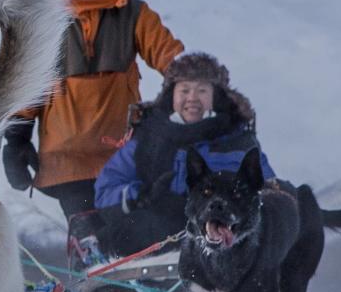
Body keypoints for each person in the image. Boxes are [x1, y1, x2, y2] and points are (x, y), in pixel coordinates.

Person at [1, 0, 183, 257]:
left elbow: (169, 56)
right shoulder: (44, 19)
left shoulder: (134, 13)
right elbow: (28, 79)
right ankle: (97, 285)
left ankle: (128, 287)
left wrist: (191, 86)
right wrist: (16, 137)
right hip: (66, 156)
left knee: (128, 238)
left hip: (121, 152)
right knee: (90, 241)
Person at [94, 51, 274, 258]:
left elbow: (267, 192)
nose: (192, 98)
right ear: (172, 95)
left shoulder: (239, 141)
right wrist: (141, 196)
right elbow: (106, 189)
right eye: (184, 90)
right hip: (154, 236)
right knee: (129, 229)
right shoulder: (148, 139)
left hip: (223, 234)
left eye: (202, 90)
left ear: (216, 97)